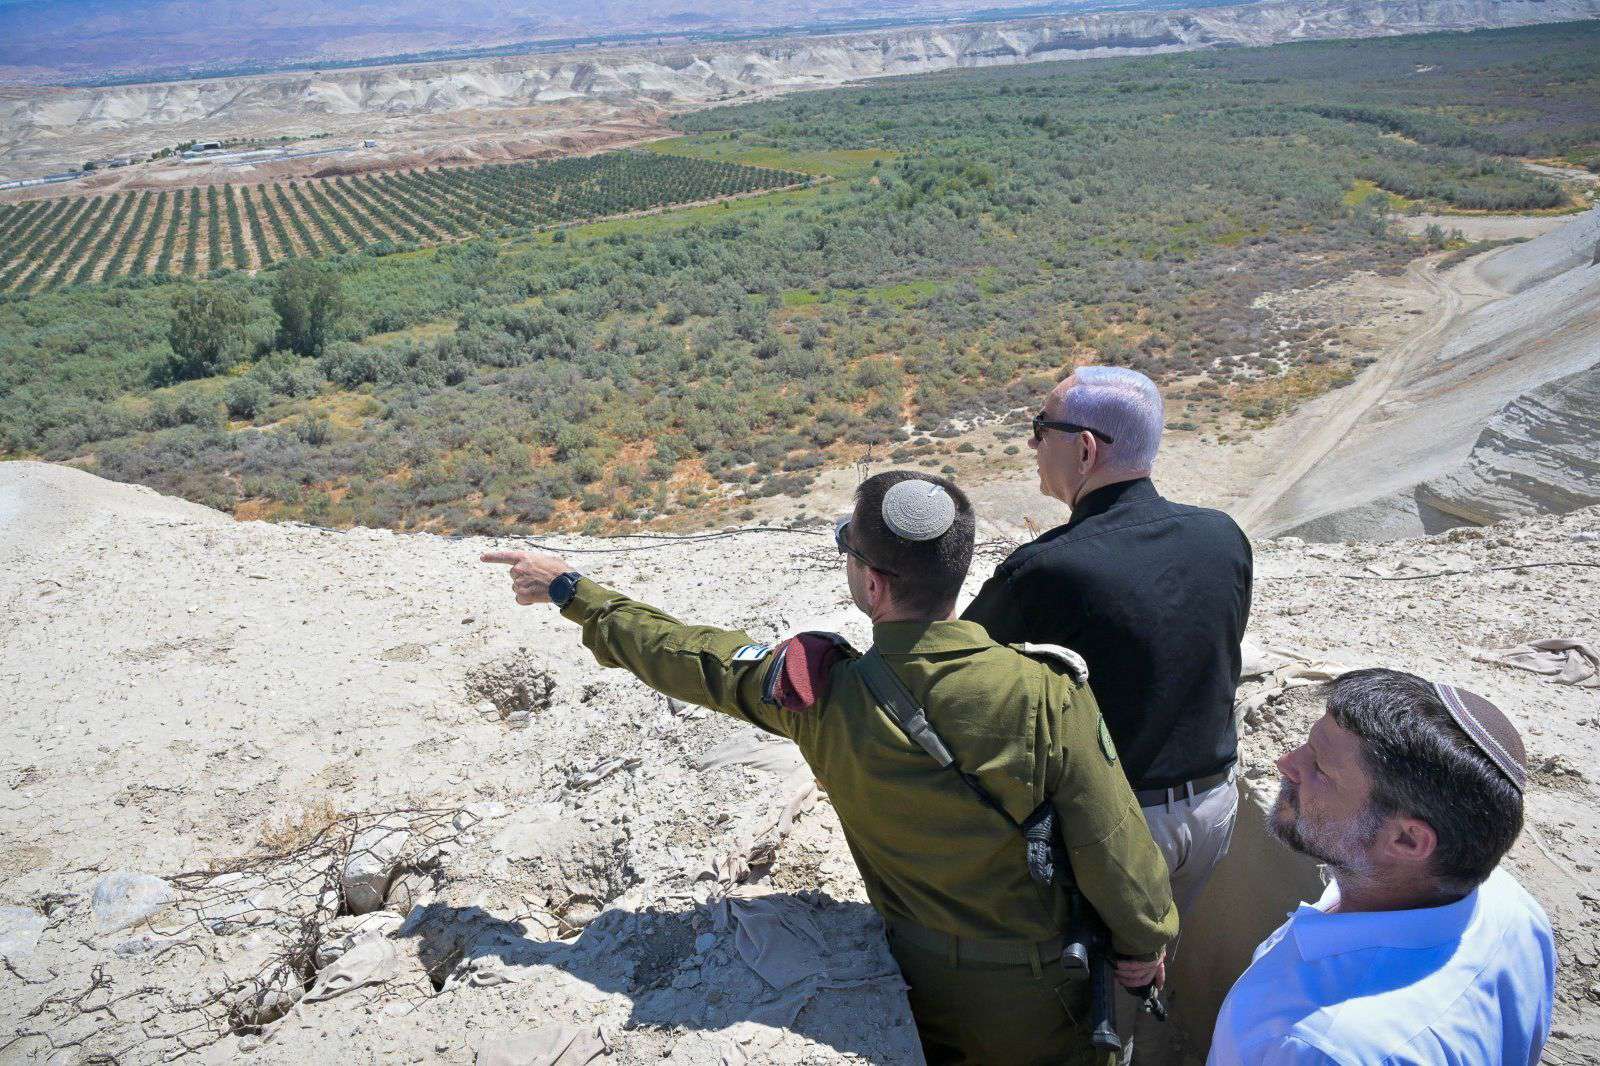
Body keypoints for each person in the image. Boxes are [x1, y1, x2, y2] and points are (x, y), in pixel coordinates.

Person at [483, 470, 1179, 1065]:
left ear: (873, 585)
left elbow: (689, 656)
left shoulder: (818, 697)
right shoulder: (1043, 693)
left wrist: (574, 591)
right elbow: (1113, 849)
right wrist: (1146, 943)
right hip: (1038, 994)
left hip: (911, 981)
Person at [963, 366, 1252, 922]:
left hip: (1120, 826)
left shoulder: (1050, 568)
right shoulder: (1223, 535)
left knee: (1089, 985)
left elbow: (961, 674)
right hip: (1214, 809)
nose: (1032, 444)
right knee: (1158, 961)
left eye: (1042, 427)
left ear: (1086, 449)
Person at [1209, 669, 1555, 1065]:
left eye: (1321, 768)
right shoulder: (1511, 906)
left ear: (1407, 841)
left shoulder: (1322, 1046)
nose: (1286, 762)